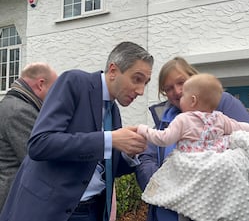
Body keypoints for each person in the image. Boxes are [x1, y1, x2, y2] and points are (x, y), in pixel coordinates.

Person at [0, 41, 154, 221]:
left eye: (146, 82)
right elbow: (39, 144)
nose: (141, 90)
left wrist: (131, 152)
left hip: (92, 211)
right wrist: (109, 139)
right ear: (113, 71)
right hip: (50, 211)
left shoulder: (114, 112)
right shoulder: (74, 82)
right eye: (137, 79)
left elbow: (103, 167)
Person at [137, 74, 249, 221]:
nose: (179, 97)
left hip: (190, 165)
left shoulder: (183, 119)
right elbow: (240, 127)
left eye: (183, 95)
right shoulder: (220, 118)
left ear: (193, 100)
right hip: (215, 165)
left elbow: (164, 138)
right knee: (212, 198)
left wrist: (143, 130)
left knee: (183, 200)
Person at [0, 62, 58, 212]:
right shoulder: (20, 111)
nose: (56, 97)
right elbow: (39, 160)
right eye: (54, 89)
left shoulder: (10, 104)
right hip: (12, 202)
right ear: (41, 84)